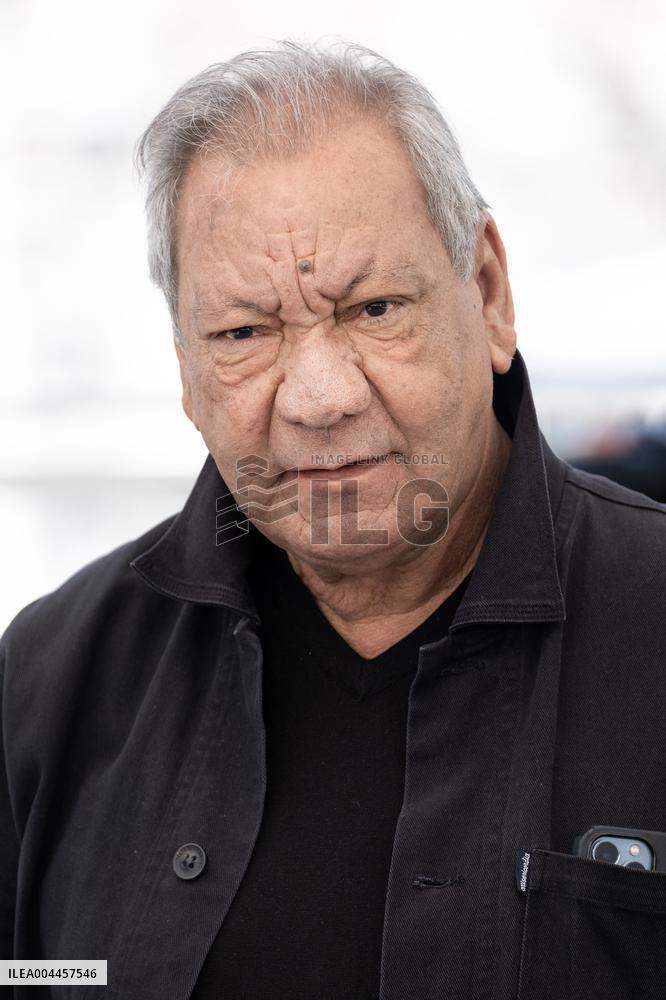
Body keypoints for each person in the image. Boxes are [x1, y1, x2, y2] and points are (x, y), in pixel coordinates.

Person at [1, 39, 665, 1000]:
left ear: (487, 292)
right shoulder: (56, 679)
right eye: (243, 333)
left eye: (372, 309)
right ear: (186, 369)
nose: (318, 397)